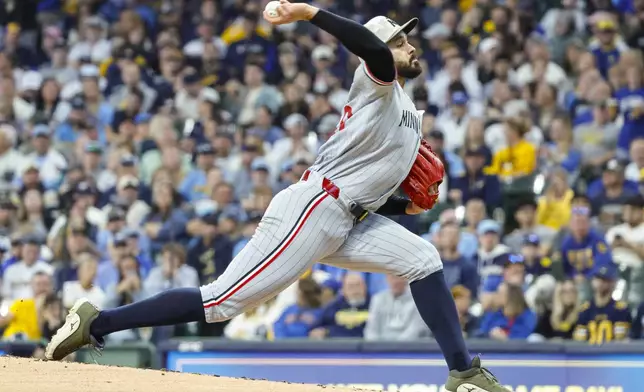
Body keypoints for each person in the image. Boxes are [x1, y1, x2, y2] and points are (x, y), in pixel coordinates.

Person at [46, 4, 512, 391]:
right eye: (400, 41)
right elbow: (370, 47)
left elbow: (366, 183)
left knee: (424, 257)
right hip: (313, 207)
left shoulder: (408, 110)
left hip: (349, 215)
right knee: (221, 302)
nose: (410, 47)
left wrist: (401, 206)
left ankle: (464, 372)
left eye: (407, 40)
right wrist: (310, 13)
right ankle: (96, 321)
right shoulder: (377, 80)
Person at [573, 265, 632, 344]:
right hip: (588, 354)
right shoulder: (585, 310)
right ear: (592, 281)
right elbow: (579, 341)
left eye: (605, 280)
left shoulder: (621, 309)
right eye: (598, 279)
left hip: (611, 354)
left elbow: (621, 340)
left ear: (612, 283)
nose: (600, 283)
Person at [364, 274, 430, 340]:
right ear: (387, 279)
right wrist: (376, 346)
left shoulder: (418, 299)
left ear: (406, 279)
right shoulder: (378, 299)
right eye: (392, 278)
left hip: (409, 346)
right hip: (380, 347)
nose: (396, 282)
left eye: (399, 278)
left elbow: (415, 329)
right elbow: (371, 329)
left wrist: (396, 346)